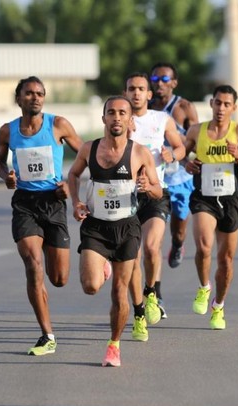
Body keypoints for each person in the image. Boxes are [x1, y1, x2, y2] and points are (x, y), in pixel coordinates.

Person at [67, 95, 163, 367]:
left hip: (127, 227)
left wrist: (147, 187)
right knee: (90, 286)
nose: (117, 117)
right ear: (104, 118)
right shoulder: (89, 149)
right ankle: (102, 266)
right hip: (96, 226)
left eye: (123, 113)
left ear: (131, 121)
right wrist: (76, 202)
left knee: (120, 290)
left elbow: (157, 191)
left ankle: (114, 345)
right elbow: (72, 175)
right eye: (112, 113)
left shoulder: (140, 153)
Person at [0, 76, 83, 355]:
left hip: (54, 202)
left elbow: (87, 155)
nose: (35, 97)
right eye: (29, 93)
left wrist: (69, 184)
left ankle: (99, 266)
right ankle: (47, 335)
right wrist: (5, 176)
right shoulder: (8, 131)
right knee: (33, 265)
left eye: (40, 93)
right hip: (25, 203)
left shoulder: (58, 125)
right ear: (18, 99)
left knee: (59, 279)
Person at [184, 85, 238, 330]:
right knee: (204, 246)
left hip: (229, 199)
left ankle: (219, 305)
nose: (221, 108)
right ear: (211, 104)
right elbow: (183, 156)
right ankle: (204, 287)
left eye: (227, 104)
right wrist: (188, 164)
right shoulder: (197, 131)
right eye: (218, 103)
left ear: (234, 108)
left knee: (225, 259)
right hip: (204, 197)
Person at [124, 72, 186, 329]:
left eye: (141, 89)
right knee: (131, 257)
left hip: (155, 193)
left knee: (151, 247)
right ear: (125, 93)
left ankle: (152, 292)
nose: (136, 93)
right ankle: (139, 306)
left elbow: (181, 147)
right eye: (131, 89)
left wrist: (172, 154)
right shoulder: (118, 120)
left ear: (149, 94)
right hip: (125, 196)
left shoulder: (162, 119)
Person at [149, 62, 199, 270]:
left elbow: (195, 140)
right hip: (154, 176)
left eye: (164, 79)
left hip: (180, 176)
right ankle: (154, 283)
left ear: (174, 83)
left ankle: (178, 245)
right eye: (155, 80)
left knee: (178, 229)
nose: (159, 83)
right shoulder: (145, 107)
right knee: (153, 234)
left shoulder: (184, 108)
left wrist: (180, 151)